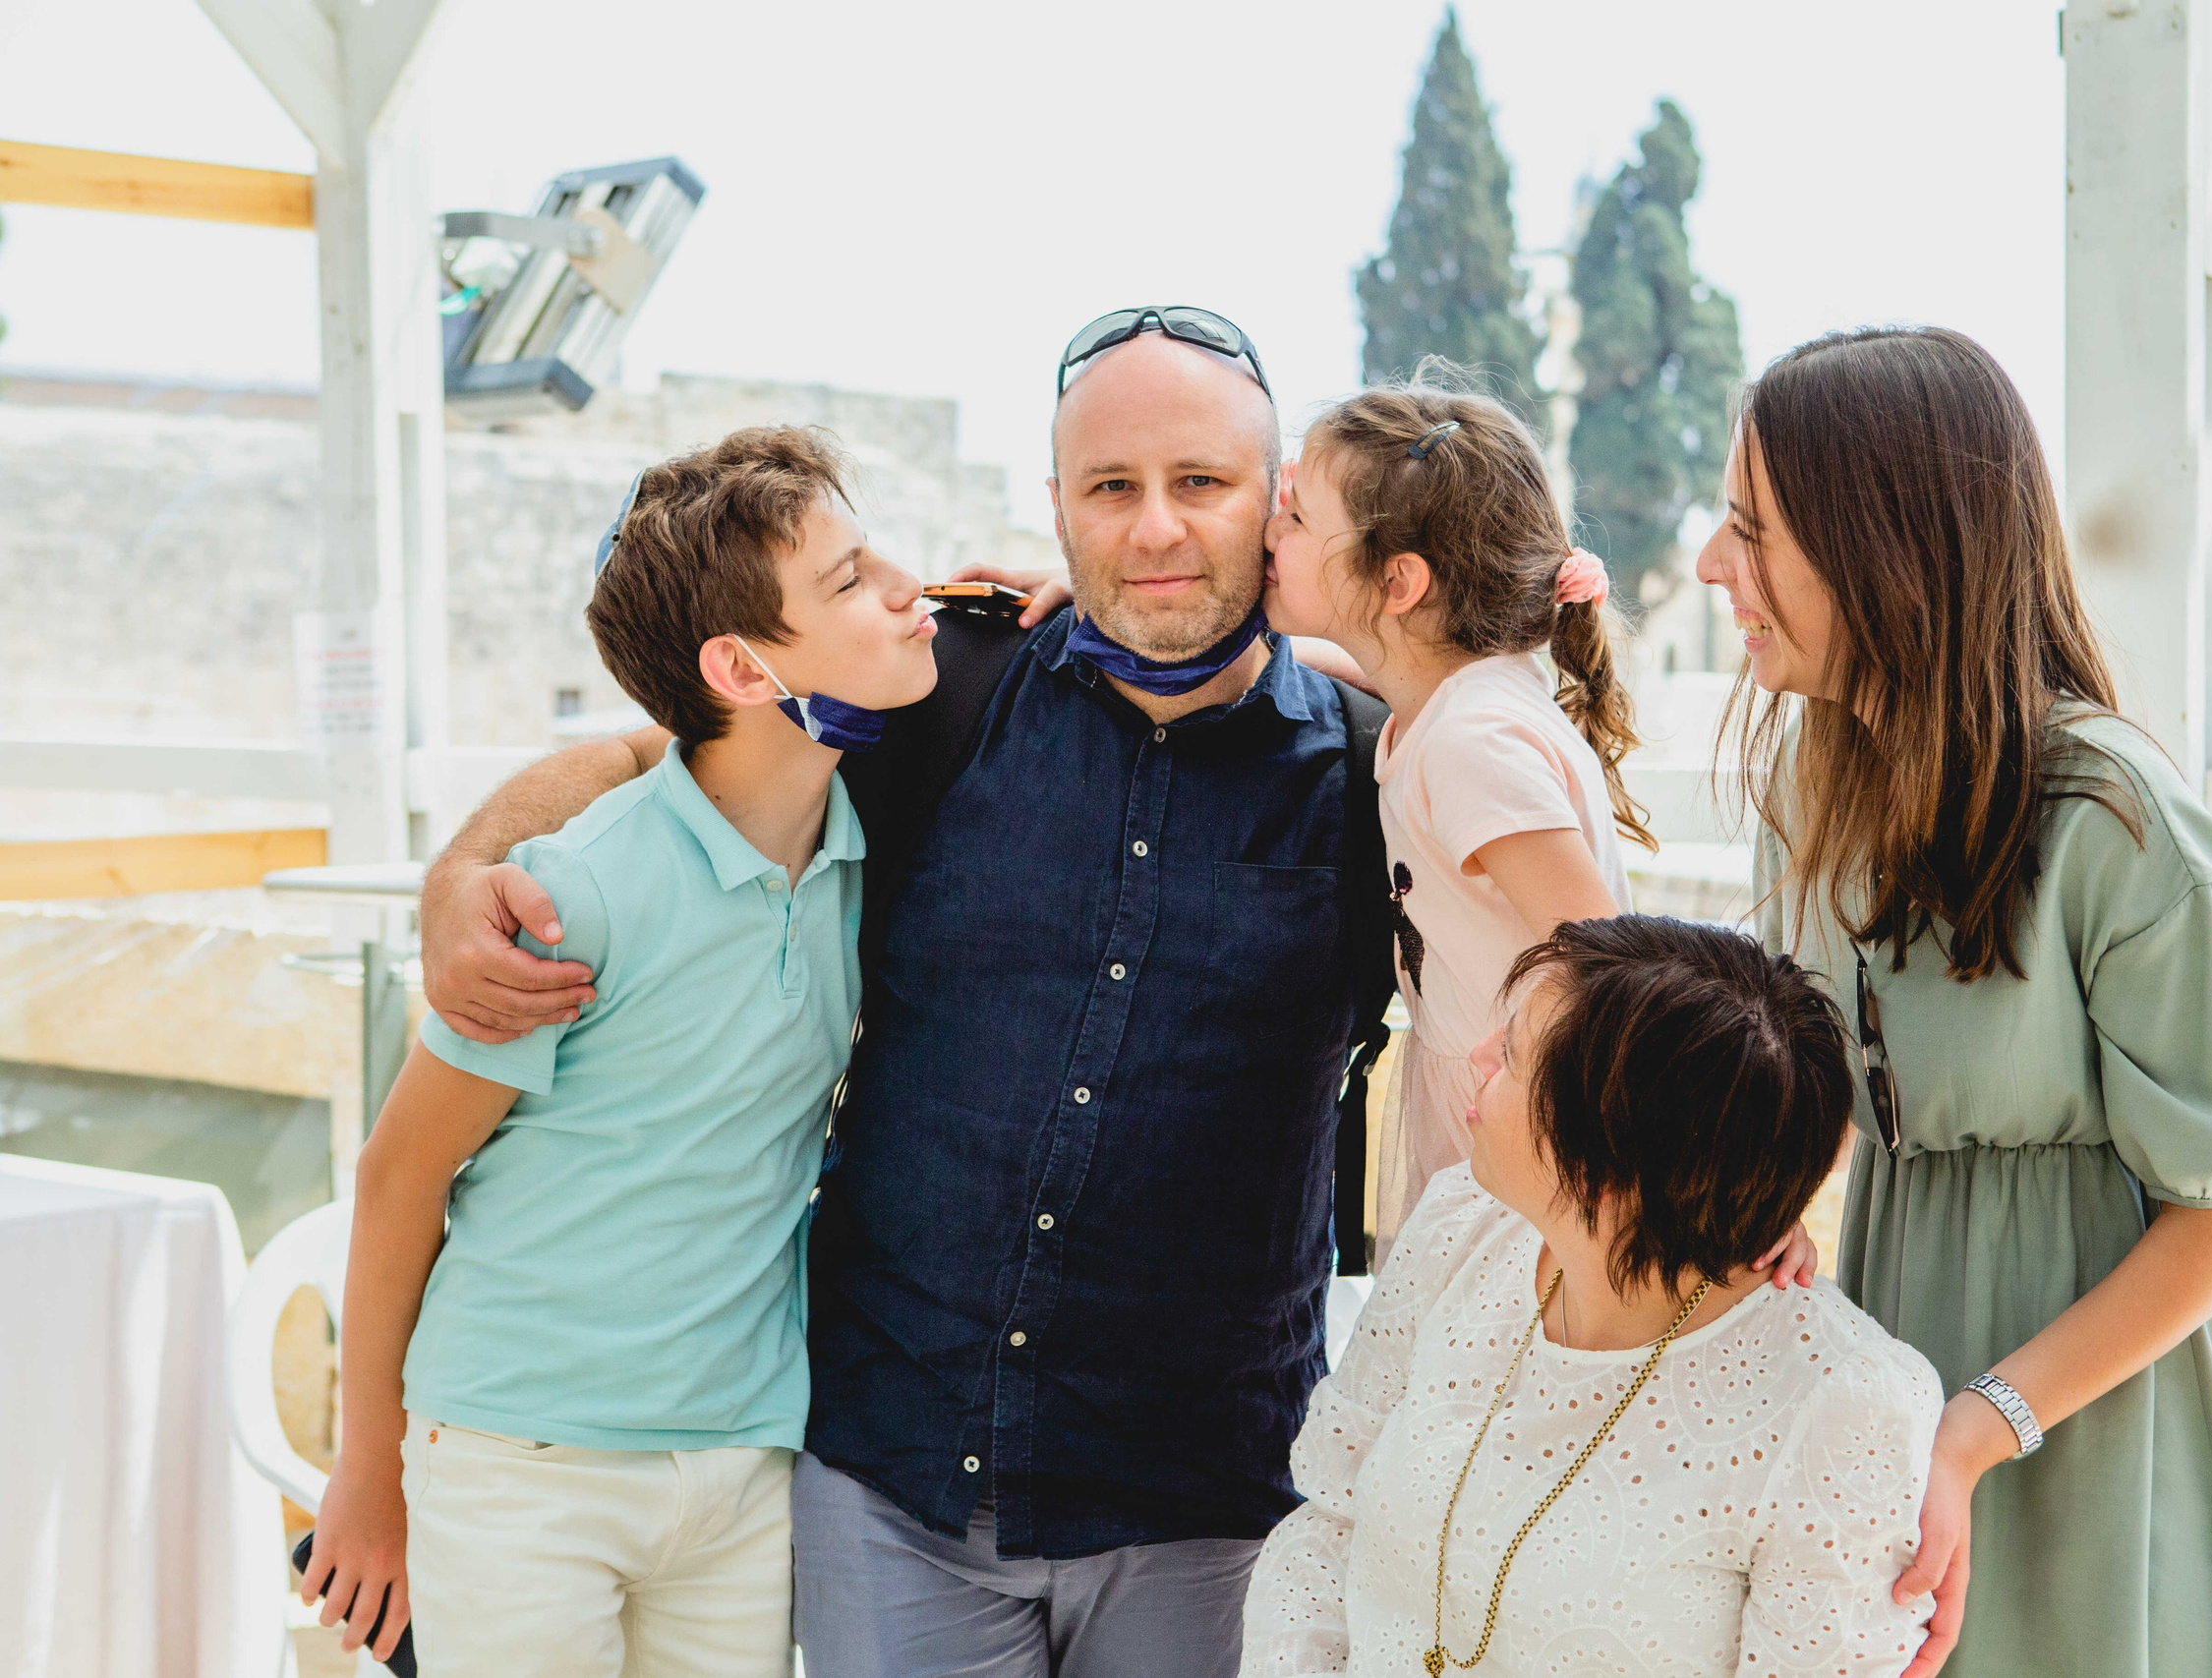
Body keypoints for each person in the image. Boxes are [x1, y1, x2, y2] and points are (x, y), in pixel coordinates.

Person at [417, 305, 1390, 1678]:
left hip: (1211, 1500)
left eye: (1201, 484)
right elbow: (660, 755)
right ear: (1056, 504)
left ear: (1275, 503)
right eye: (1112, 487)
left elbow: (1537, 943)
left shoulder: (1376, 770)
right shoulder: (948, 685)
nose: (1156, 528)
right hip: (900, 1475)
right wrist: (462, 872)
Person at [1694, 325, 2212, 1678]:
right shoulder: (1811, 792)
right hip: (1902, 1390)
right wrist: (1766, 1212)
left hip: (2105, 1421)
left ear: (1886, 543)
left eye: (1755, 527)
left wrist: (1981, 1423)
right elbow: (1833, 1077)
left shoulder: (2114, 821)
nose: (1712, 564)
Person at [302, 426, 939, 1673]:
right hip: (521, 1460)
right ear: (744, 669)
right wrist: (367, 1476)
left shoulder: (862, 849)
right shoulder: (569, 894)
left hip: (744, 1457)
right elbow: (397, 1178)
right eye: (851, 576)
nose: (906, 587)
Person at [1240, 915, 1944, 1677]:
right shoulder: (1458, 1228)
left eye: (1510, 1056)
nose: (1478, 1057)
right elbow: (1326, 1525)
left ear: (1604, 1165)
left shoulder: (1845, 1406)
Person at [1252, 374, 1802, 1292]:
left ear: (1399, 581)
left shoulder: (1472, 741)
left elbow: (1612, 968)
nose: (1271, 531)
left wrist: (1721, 1191)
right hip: (1487, 1130)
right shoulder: (1449, 696)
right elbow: (1333, 651)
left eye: (1298, 518)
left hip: (1529, 1162)